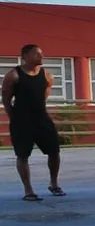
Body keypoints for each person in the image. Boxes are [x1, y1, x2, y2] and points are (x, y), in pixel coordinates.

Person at [2, 44, 64, 201]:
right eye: (37, 54)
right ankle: (28, 190)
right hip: (21, 120)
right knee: (22, 155)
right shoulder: (13, 75)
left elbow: (44, 97)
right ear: (25, 56)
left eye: (41, 54)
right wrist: (14, 118)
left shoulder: (47, 76)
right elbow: (6, 100)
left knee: (54, 151)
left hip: (41, 118)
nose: (41, 57)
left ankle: (54, 183)